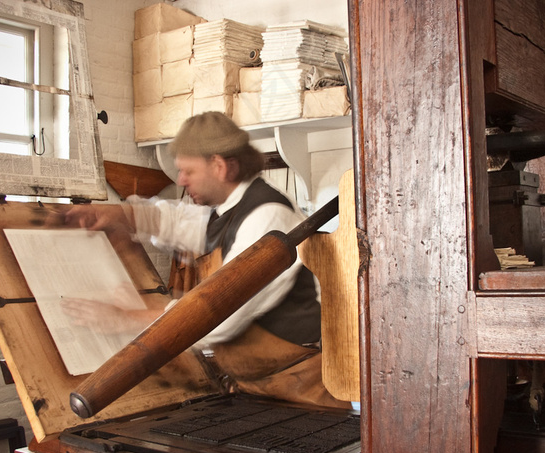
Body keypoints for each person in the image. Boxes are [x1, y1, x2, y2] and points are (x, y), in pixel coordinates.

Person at [63, 111, 344, 407]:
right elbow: (177, 221)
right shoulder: (226, 211)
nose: (181, 180)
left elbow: (220, 318)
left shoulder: (268, 217)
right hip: (258, 390)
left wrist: (125, 318)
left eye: (188, 171)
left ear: (220, 166)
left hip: (303, 392)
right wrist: (123, 215)